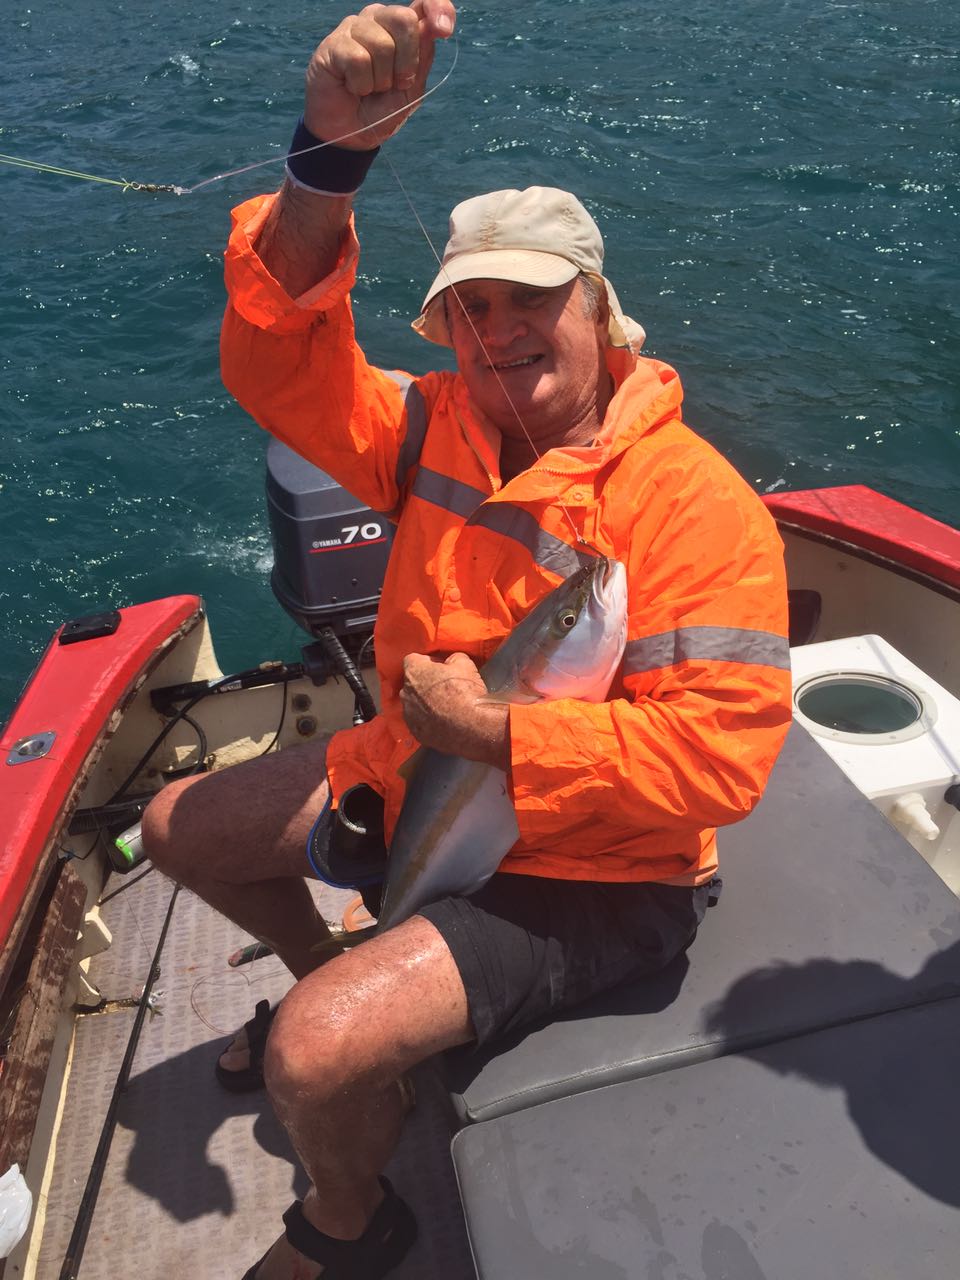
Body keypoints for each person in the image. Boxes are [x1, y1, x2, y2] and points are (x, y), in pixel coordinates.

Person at [142, 2, 793, 1276]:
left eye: (531, 300)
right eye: (469, 306)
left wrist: (486, 728)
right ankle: (348, 961)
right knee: (175, 827)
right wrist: (328, 156)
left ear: (600, 306)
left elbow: (716, 767)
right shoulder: (431, 424)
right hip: (424, 775)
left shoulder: (698, 507)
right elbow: (278, 362)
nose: (497, 332)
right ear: (442, 327)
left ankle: (348, 1221)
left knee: (313, 1050)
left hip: (606, 874)